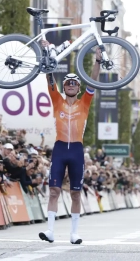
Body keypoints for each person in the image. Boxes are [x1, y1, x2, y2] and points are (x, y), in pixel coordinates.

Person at [38, 40, 101, 245]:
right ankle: (49, 231)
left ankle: (74, 233)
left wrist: (98, 60)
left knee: (75, 193)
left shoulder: (85, 102)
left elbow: (93, 80)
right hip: (59, 149)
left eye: (74, 83)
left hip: (76, 150)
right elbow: (49, 77)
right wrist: (46, 50)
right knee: (54, 191)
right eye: (68, 83)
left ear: (78, 87)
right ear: (64, 87)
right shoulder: (57, 100)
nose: (71, 85)